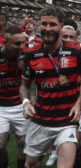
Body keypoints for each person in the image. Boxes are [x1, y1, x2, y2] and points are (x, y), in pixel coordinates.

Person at [20, 6, 81, 168]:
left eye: (52, 24)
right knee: (31, 164)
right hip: (40, 119)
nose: (47, 29)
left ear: (61, 26)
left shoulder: (77, 53)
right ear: (39, 25)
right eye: (44, 24)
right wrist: (26, 101)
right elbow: (24, 84)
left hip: (67, 118)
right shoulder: (32, 54)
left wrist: (80, 104)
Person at [0, 26, 27, 168]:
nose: (21, 47)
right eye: (17, 43)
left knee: (23, 143)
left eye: (23, 42)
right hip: (1, 107)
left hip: (21, 105)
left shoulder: (26, 55)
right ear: (4, 42)